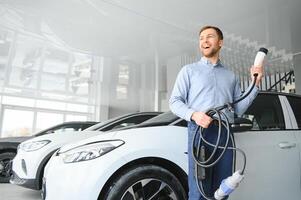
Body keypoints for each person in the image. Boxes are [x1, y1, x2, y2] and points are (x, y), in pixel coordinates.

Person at [169, 25, 263, 200]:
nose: (204, 40)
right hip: (200, 133)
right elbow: (174, 102)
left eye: (209, 36)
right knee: (199, 189)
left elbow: (239, 108)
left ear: (220, 43)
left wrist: (254, 84)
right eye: (201, 38)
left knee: (222, 189)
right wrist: (195, 115)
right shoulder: (189, 71)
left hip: (225, 133)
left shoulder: (231, 76)